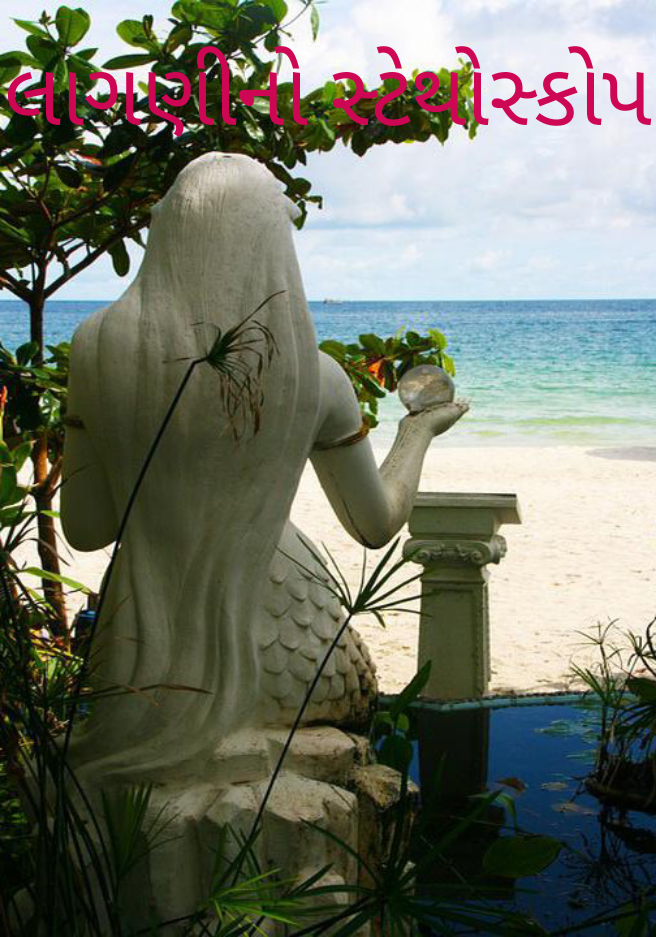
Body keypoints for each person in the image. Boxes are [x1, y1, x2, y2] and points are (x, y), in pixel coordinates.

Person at [62, 152, 467, 781]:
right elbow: (375, 524)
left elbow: (86, 530)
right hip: (293, 657)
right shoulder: (313, 375)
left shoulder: (96, 350)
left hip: (136, 652)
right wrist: (417, 432)